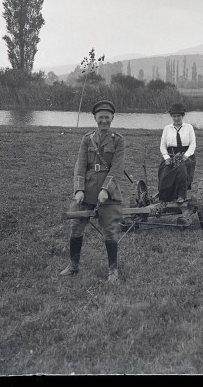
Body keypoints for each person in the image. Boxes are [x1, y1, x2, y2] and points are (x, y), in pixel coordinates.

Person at [61, 100, 126, 283]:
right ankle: (73, 266)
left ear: (112, 118)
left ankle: (113, 271)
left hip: (109, 193)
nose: (104, 121)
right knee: (76, 226)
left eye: (107, 118)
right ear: (95, 119)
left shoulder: (119, 140)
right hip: (87, 190)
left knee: (110, 231)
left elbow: (117, 168)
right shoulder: (87, 139)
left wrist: (106, 190)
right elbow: (80, 166)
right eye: (100, 118)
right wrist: (79, 190)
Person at [158, 103, 196, 202]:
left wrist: (186, 155)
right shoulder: (167, 128)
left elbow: (192, 144)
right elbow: (162, 145)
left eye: (178, 116)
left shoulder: (189, 127)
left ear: (183, 116)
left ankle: (181, 195)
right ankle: (165, 197)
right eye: (174, 116)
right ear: (171, 117)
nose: (176, 119)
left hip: (186, 155)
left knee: (181, 169)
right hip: (171, 155)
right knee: (165, 172)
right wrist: (166, 158)